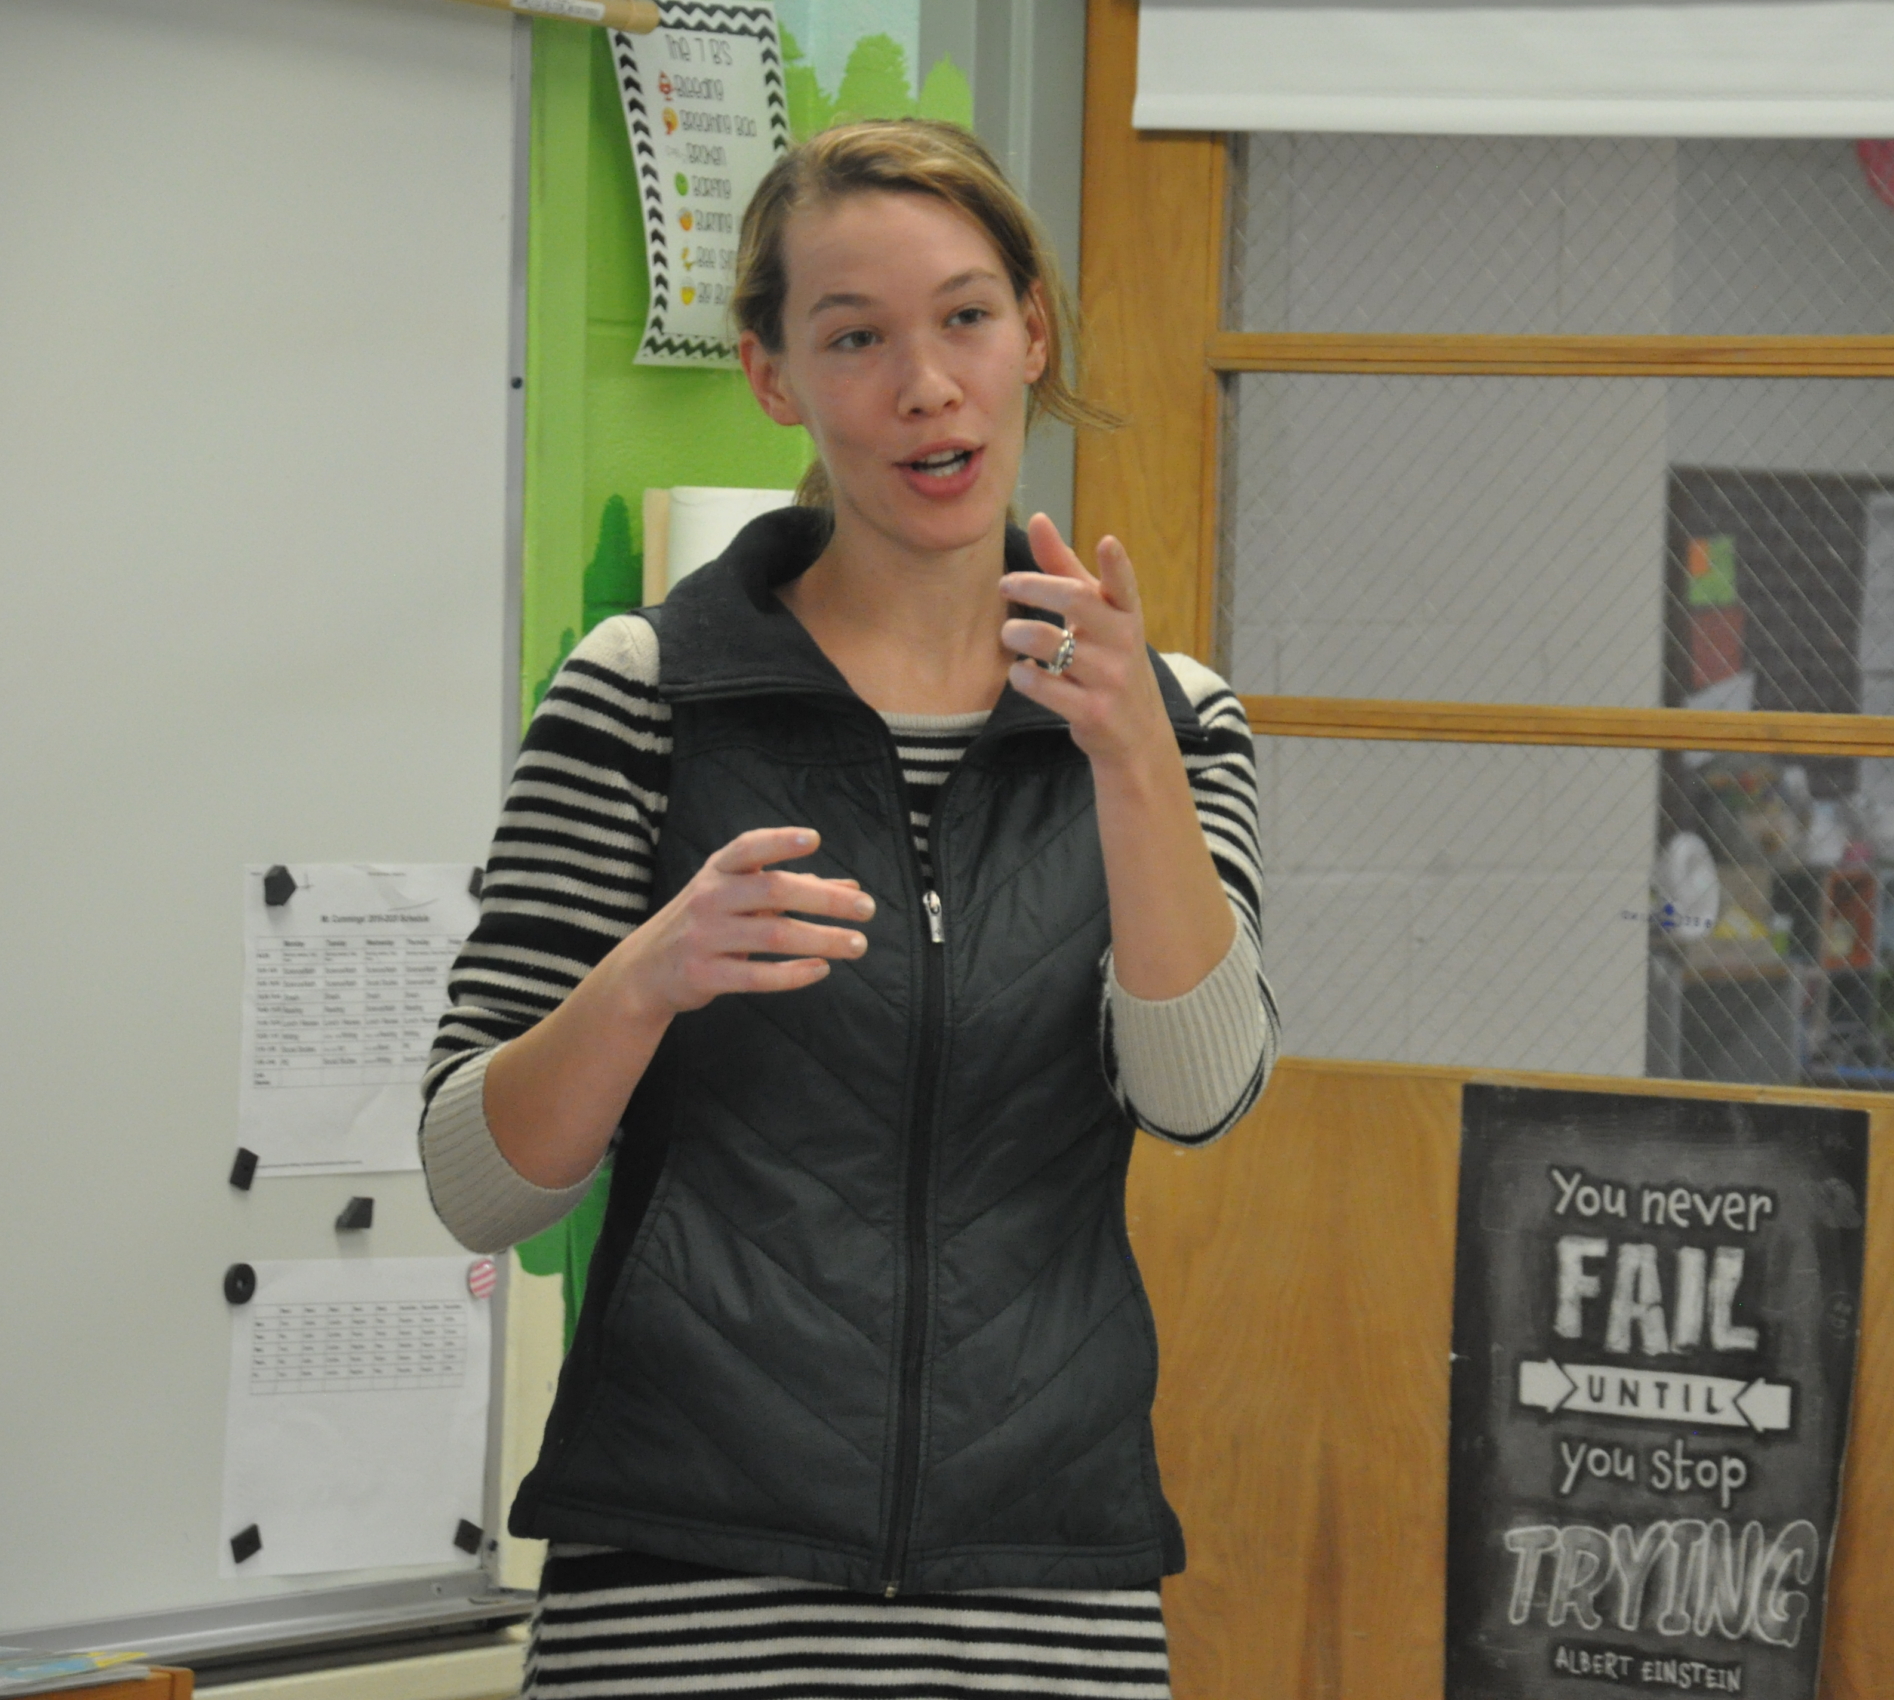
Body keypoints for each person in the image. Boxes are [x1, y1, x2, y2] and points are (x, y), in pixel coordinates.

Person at [417, 120, 1277, 1698]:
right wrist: (644, 980)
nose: (925, 385)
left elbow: (1199, 1093)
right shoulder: (648, 694)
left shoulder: (1175, 720)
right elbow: (480, 1187)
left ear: (1033, 334)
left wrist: (1133, 761)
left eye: (966, 317)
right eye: (855, 337)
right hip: (680, 1587)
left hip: (1044, 1590)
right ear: (772, 375)